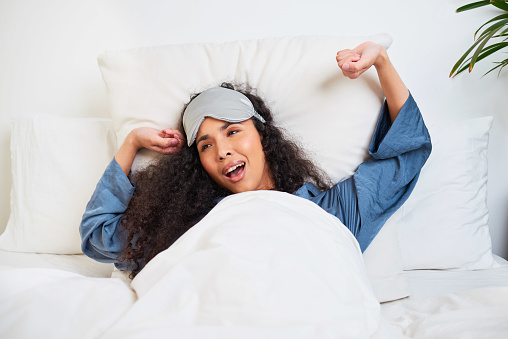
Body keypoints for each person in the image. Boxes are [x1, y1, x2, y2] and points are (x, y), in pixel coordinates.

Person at [80, 42, 431, 278]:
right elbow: (98, 236)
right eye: (205, 145)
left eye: (232, 131)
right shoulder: (190, 225)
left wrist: (381, 61)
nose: (222, 151)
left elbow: (409, 152)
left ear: (262, 135)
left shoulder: (328, 211)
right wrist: (130, 144)